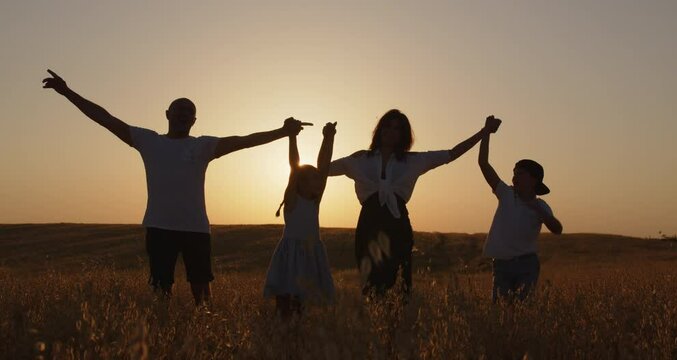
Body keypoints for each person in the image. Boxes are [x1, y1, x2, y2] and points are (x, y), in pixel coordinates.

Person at [42, 69, 309, 306]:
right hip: (159, 227)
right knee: (160, 289)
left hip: (195, 228)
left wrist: (282, 131)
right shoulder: (148, 141)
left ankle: (204, 331)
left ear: (194, 120)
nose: (183, 115)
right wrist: (66, 92)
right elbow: (105, 118)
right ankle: (163, 330)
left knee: (202, 290)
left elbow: (245, 141)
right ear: (167, 114)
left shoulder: (203, 146)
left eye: (189, 113)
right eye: (179, 111)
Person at [328, 109, 501, 297]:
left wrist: (484, 132)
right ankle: (375, 321)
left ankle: (395, 321)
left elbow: (452, 153)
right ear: (380, 129)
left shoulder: (413, 161)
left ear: (403, 135)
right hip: (369, 224)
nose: (390, 131)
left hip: (397, 224)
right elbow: (322, 170)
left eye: (397, 128)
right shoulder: (360, 159)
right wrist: (325, 139)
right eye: (387, 126)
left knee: (400, 284)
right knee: (371, 283)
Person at [477, 115, 563, 302]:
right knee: (501, 315)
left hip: (527, 266)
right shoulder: (506, 194)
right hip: (501, 266)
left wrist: (538, 210)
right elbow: (483, 164)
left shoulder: (541, 206)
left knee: (523, 314)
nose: (514, 178)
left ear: (534, 180)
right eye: (514, 173)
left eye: (520, 174)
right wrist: (487, 133)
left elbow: (558, 229)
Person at [263, 122, 337, 319]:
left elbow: (324, 167)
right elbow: (294, 168)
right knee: (286, 298)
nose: (319, 181)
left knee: (302, 302)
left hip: (311, 252)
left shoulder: (315, 202)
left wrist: (328, 138)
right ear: (301, 182)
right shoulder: (292, 200)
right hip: (292, 254)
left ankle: (297, 332)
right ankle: (282, 329)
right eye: (313, 178)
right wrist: (292, 137)